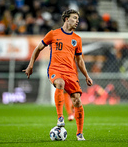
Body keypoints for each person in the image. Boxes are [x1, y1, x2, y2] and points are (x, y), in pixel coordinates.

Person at [22, 9, 93, 141]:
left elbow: (79, 60)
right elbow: (38, 49)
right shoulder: (53, 34)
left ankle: (79, 134)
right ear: (66, 19)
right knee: (60, 83)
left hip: (71, 73)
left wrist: (87, 76)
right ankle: (60, 117)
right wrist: (30, 65)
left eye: (78, 19)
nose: (77, 21)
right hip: (55, 69)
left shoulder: (77, 39)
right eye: (74, 18)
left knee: (77, 99)